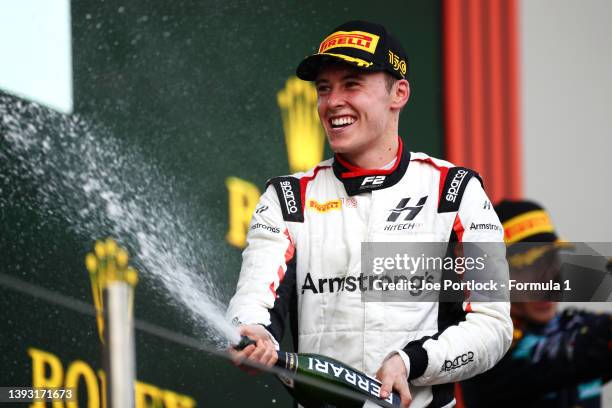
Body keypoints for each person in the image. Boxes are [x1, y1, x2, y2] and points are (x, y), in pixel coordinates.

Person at [227, 20, 512, 408]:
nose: (332, 102)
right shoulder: (288, 198)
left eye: (351, 84)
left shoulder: (455, 192)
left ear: (399, 93)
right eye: (324, 89)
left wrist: (411, 362)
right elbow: (254, 301)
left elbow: (493, 327)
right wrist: (253, 331)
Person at [460, 199, 612, 407]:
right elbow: (566, 355)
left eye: (551, 261)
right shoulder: (485, 351)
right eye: (527, 266)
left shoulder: (575, 325)